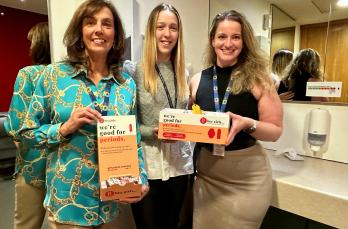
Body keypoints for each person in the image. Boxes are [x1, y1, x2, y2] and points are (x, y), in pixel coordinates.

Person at [19, 0, 148, 227]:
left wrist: (142, 179)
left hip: (112, 200)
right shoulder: (54, 76)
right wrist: (62, 128)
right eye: (90, 22)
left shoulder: (126, 84)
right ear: (80, 31)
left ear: (115, 35)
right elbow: (26, 134)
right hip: (69, 200)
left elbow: (134, 138)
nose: (99, 29)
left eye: (107, 24)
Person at [189, 10, 283, 229]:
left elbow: (276, 130)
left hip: (246, 180)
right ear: (212, 40)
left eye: (236, 37)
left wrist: (247, 124)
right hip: (206, 177)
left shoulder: (259, 80)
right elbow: (192, 124)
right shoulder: (196, 80)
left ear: (244, 41)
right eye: (222, 36)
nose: (228, 43)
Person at [130, 3, 193, 229]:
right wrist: (151, 131)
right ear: (151, 31)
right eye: (160, 27)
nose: (167, 34)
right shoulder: (134, 72)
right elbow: (128, 124)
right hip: (148, 166)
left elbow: (186, 115)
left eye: (173, 28)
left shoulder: (184, 72)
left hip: (178, 165)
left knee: (172, 224)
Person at [4, 21, 50, 229]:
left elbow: (15, 123)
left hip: (32, 164)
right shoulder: (65, 76)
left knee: (26, 224)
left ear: (40, 44)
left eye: (31, 42)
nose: (29, 47)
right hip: (64, 164)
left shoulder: (28, 74)